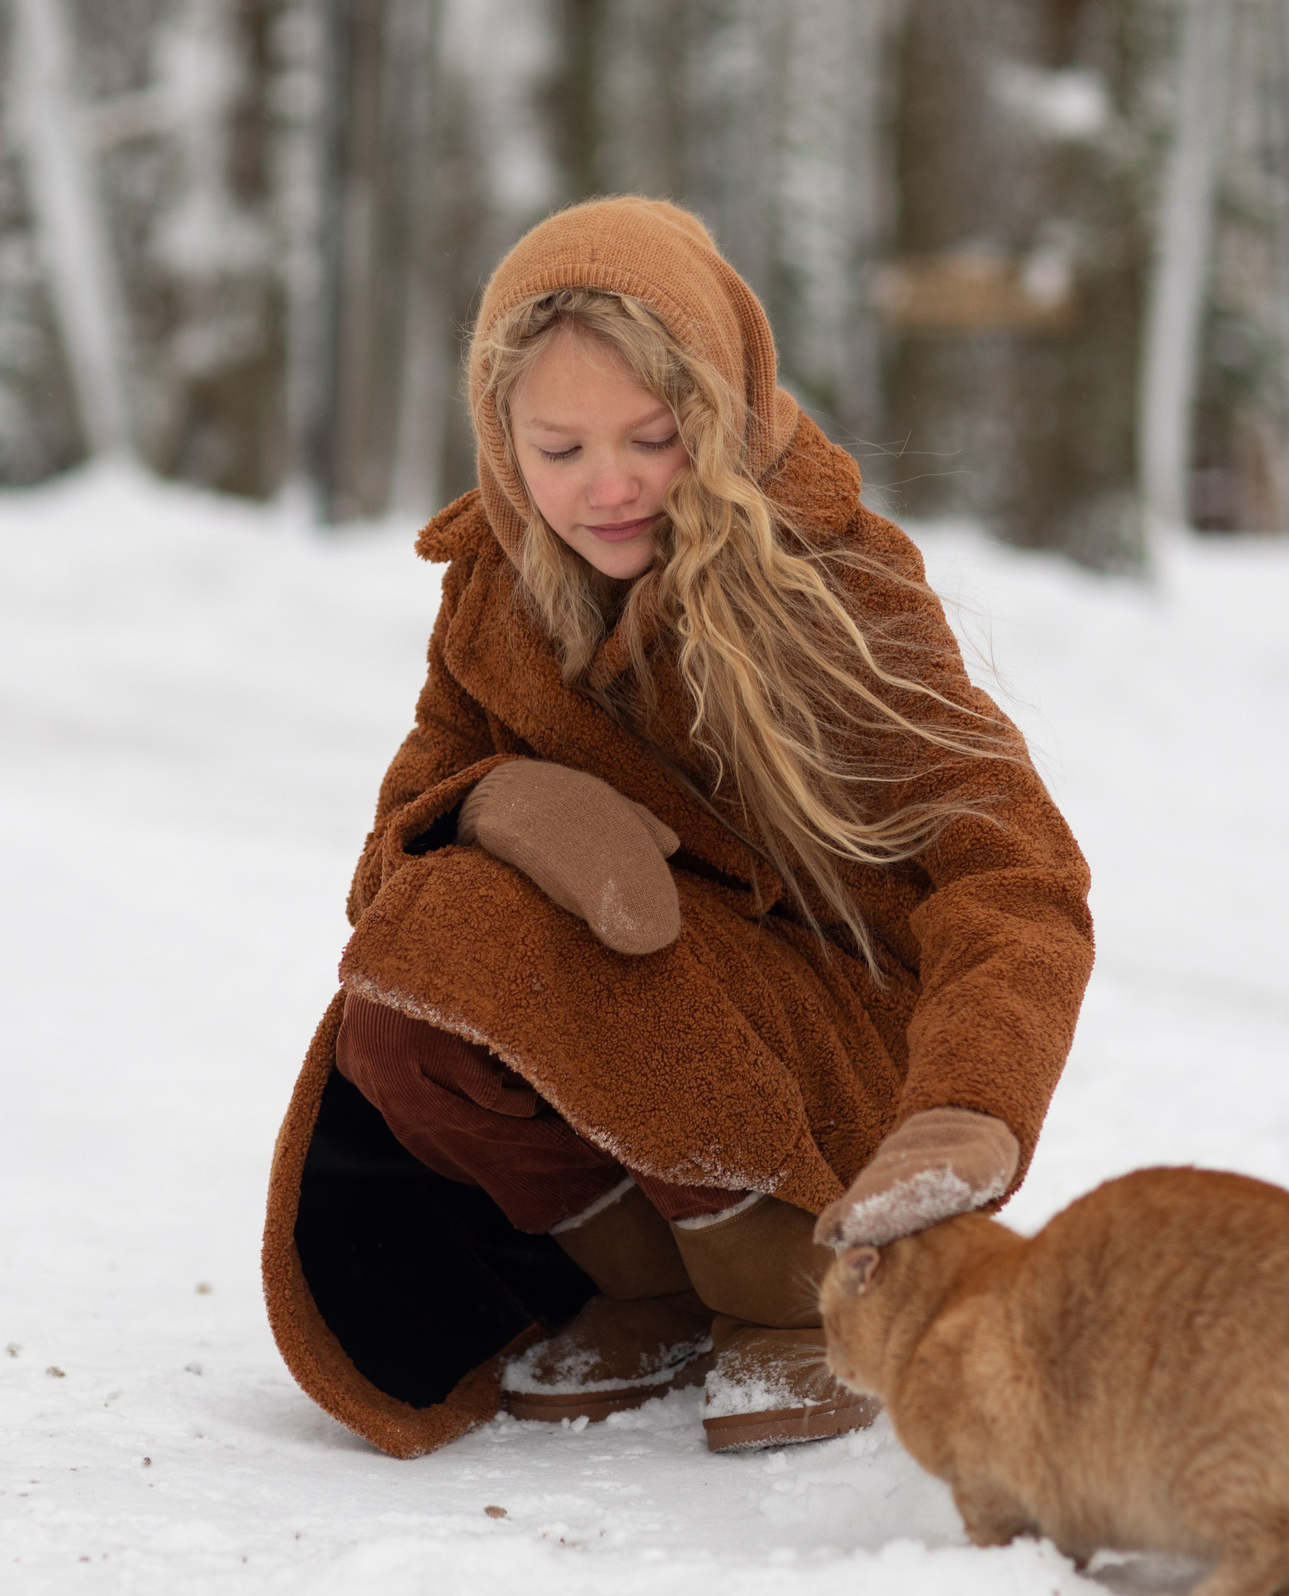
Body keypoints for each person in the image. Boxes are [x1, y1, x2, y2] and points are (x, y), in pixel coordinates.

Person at [262, 197, 1092, 1458]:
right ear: (501, 445)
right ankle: (651, 1280)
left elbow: (1013, 869)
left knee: (597, 949)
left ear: (724, 409)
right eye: (558, 449)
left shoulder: (833, 586)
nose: (607, 486)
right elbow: (385, 868)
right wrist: (490, 802)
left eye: (654, 436)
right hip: (651, 1041)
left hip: (825, 1064)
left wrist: (971, 1104)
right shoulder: (495, 591)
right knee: (424, 954)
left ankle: (793, 1286)